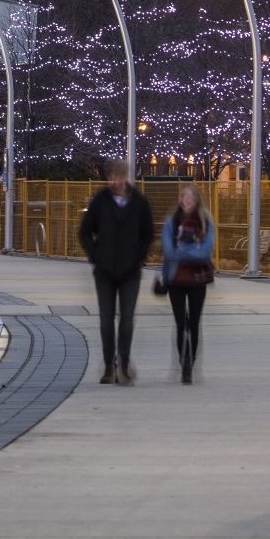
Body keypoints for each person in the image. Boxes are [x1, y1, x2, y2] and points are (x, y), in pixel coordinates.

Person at [77, 161, 153, 386]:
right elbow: (84, 232)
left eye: (120, 177)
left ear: (126, 177)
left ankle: (124, 364)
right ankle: (109, 365)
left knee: (127, 319)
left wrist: (139, 256)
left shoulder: (139, 201)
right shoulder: (100, 200)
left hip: (130, 271)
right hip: (105, 271)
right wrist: (96, 255)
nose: (116, 181)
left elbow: (148, 233)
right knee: (106, 319)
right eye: (113, 177)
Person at [159, 186, 216, 385]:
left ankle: (190, 364)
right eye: (184, 196)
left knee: (194, 323)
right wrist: (191, 252)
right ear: (180, 199)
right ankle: (183, 362)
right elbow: (168, 250)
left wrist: (182, 251)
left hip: (197, 279)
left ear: (197, 199)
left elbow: (205, 252)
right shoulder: (172, 222)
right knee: (180, 323)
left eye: (191, 197)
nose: (188, 200)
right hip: (175, 279)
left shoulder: (205, 222)